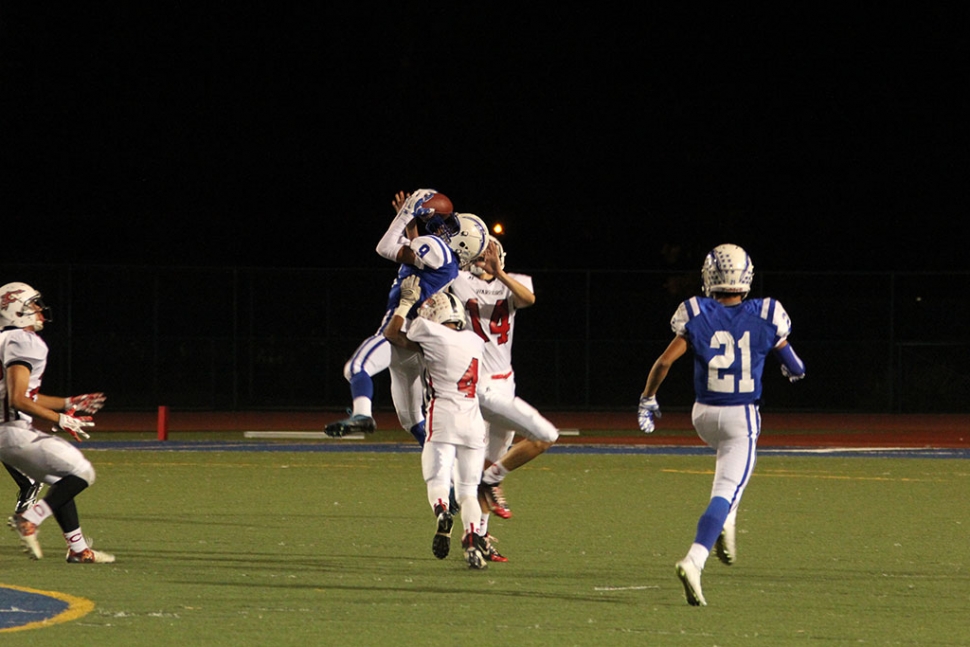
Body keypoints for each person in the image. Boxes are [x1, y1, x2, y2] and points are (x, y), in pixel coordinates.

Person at [638, 244, 805, 606]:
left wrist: (648, 398)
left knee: (729, 477)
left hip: (702, 415)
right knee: (727, 488)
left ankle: (727, 523)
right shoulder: (768, 313)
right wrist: (785, 366)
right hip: (740, 415)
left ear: (709, 277)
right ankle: (694, 559)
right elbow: (797, 367)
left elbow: (664, 363)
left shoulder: (696, 312)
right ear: (746, 277)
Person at [325, 190, 487, 444]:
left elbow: (385, 247)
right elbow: (417, 253)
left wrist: (406, 214)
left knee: (356, 367)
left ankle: (362, 415)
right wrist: (411, 223)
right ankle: (453, 478)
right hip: (414, 340)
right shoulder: (447, 263)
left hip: (398, 327)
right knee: (412, 421)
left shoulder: (439, 249)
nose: (445, 226)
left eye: (453, 226)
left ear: (463, 240)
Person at [449, 234, 559, 562]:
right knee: (545, 435)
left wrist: (499, 274)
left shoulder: (513, 281)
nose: (488, 255)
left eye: (492, 250)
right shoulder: (460, 281)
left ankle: (476, 538)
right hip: (479, 386)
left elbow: (529, 299)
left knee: (491, 458)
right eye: (482, 250)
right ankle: (489, 482)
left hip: (505, 383)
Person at [0, 281, 115, 563]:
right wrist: (61, 418)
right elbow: (17, 399)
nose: (39, 309)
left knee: (61, 479)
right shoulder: (24, 341)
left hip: (6, 433)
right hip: (12, 432)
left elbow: (19, 394)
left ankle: (79, 551)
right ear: (16, 310)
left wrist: (66, 403)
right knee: (82, 473)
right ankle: (30, 519)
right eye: (32, 304)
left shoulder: (4, 340)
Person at [383, 276, 490, 569]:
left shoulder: (427, 329)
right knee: (468, 491)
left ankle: (442, 511)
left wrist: (405, 303)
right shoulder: (475, 341)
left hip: (442, 416)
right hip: (473, 421)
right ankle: (471, 540)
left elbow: (393, 334)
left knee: (438, 479)